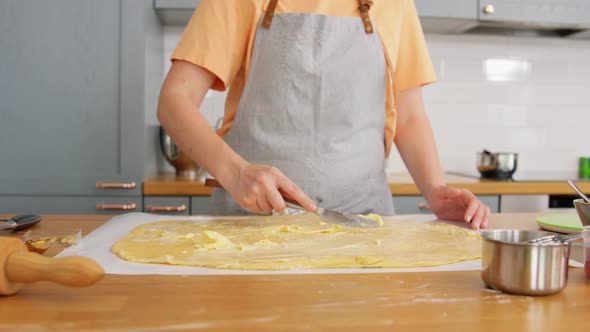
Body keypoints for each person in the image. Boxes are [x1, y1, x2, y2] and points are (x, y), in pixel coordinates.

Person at [157, 0, 490, 229]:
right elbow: (175, 99)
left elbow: (409, 116)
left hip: (363, 228)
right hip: (251, 227)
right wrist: (235, 173)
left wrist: (435, 191)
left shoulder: (393, 3)